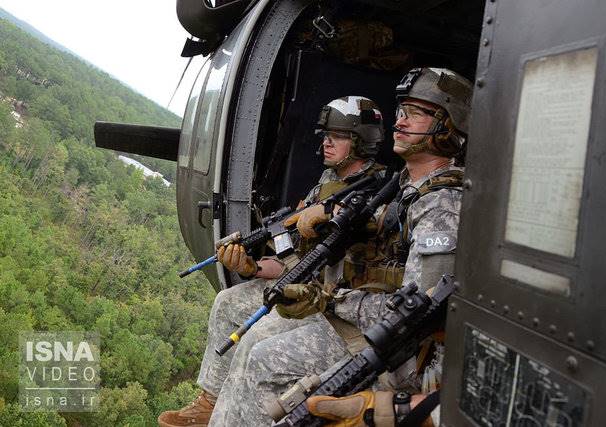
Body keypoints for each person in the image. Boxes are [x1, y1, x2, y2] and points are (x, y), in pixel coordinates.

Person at [211, 67, 472, 427]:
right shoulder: (401, 186)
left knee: (265, 359)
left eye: (414, 113)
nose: (400, 122)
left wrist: (329, 300)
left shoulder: (441, 203)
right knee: (254, 345)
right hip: (356, 311)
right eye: (401, 112)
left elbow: (415, 315)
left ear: (447, 125)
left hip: (392, 346)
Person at [157, 95, 385, 427]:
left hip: (331, 303)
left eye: (337, 135)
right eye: (326, 134)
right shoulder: (325, 185)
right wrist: (251, 267)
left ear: (361, 142)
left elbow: (345, 262)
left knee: (254, 340)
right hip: (301, 285)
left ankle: (226, 421)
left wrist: (331, 216)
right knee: (227, 302)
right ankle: (210, 402)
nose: (326, 142)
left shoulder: (373, 196)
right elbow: (293, 258)